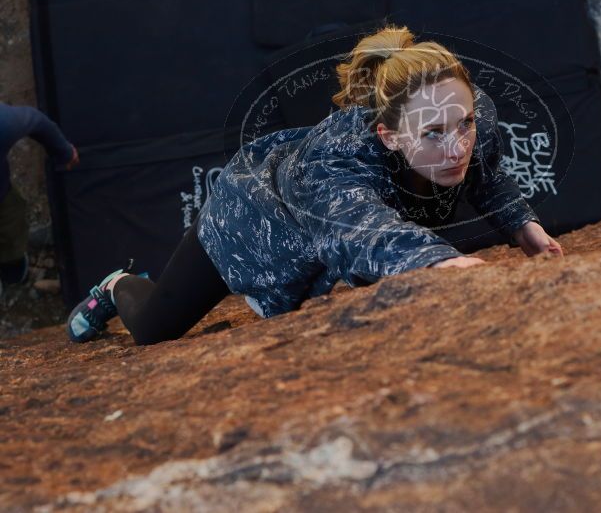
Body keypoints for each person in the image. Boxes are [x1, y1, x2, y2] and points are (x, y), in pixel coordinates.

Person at [66, 24, 563, 345]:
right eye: (433, 132)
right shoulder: (333, 160)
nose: (457, 145)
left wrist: (522, 225)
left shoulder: (467, 112)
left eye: (465, 124)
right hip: (251, 217)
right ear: (387, 135)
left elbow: (485, 171)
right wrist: (438, 260)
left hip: (322, 238)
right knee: (155, 329)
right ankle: (117, 285)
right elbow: (358, 229)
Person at [0, 102, 79, 292]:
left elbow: (36, 121)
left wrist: (63, 151)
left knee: (11, 230)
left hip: (1, 198)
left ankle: (12, 268)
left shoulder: (4, 124)